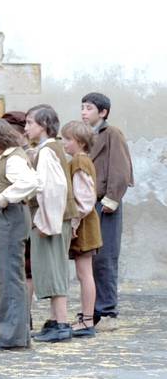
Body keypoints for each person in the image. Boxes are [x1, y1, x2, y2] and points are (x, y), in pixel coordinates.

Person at [0, 119, 39, 351]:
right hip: (7, 218)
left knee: (9, 277)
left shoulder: (13, 159)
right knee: (10, 276)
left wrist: (4, 198)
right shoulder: (10, 157)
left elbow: (31, 182)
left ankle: (12, 337)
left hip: (8, 217)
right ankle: (17, 335)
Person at [80, 92, 133, 332]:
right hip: (90, 204)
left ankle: (108, 311)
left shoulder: (112, 134)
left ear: (103, 112)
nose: (84, 112)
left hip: (105, 203)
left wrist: (112, 198)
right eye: (82, 107)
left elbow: (121, 168)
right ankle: (96, 310)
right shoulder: (87, 137)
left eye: (89, 108)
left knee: (106, 257)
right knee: (91, 257)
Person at [25, 105, 78, 343]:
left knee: (54, 270)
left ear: (44, 125)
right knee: (49, 270)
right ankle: (55, 321)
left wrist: (47, 222)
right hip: (53, 218)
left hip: (52, 218)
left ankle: (62, 324)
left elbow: (54, 190)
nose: (26, 128)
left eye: (30, 123)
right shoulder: (48, 149)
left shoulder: (47, 151)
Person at [61, 120, 103, 337]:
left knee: (84, 273)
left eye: (67, 139)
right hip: (84, 224)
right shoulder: (79, 160)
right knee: (83, 273)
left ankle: (87, 320)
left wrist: (74, 223)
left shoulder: (79, 161)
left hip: (84, 226)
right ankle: (86, 318)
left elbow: (85, 200)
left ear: (79, 141)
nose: (64, 143)